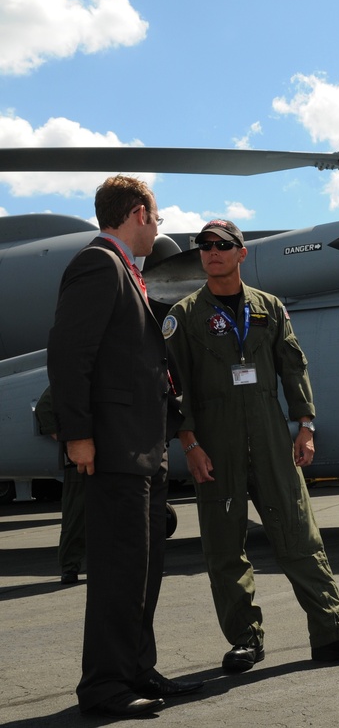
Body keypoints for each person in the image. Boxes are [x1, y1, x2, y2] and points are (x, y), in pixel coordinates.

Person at [163, 219, 339, 672]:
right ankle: (246, 640)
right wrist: (189, 444)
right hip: (214, 444)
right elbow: (175, 386)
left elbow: (293, 366)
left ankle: (331, 633)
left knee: (301, 538)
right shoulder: (184, 316)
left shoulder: (269, 307)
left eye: (221, 245)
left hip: (270, 440)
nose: (211, 252)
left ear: (241, 253)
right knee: (225, 549)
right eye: (203, 246)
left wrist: (305, 424)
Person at [47, 175, 201, 718]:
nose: (158, 227)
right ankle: (106, 687)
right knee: (118, 571)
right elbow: (69, 355)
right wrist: (79, 435)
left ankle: (138, 669)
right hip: (113, 447)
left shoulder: (128, 274)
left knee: (144, 567)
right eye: (156, 217)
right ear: (138, 213)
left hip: (143, 445)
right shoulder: (98, 264)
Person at [34, 386, 86, 584]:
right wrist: (68, 439)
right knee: (75, 518)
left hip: (106, 459)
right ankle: (70, 568)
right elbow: (44, 407)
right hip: (78, 462)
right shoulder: (75, 373)